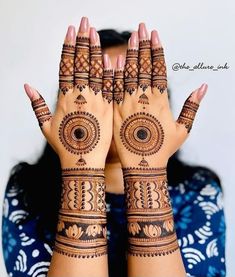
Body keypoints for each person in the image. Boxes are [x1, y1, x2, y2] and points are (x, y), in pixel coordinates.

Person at [2, 17, 226, 277]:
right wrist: (81, 163)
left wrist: (147, 166)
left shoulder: (198, 189)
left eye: (125, 92)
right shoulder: (27, 189)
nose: (114, 109)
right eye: (99, 91)